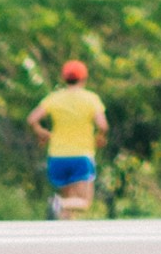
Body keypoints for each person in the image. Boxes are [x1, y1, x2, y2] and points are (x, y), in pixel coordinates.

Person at [28, 59, 108, 219]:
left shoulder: (54, 98)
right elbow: (103, 125)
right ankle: (59, 204)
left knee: (67, 203)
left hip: (57, 156)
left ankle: (65, 236)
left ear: (64, 78)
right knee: (84, 203)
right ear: (84, 78)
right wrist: (100, 137)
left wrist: (41, 132)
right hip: (81, 155)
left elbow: (32, 119)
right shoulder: (90, 99)